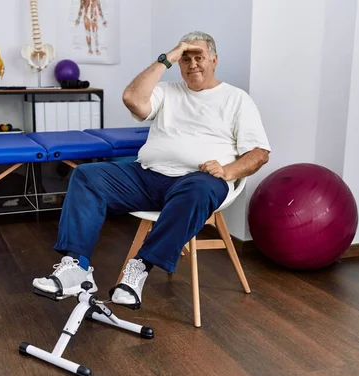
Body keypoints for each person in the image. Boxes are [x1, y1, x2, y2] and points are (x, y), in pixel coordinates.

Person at [33, 31, 271, 309]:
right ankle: (77, 267)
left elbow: (259, 154)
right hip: (147, 176)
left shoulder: (236, 99)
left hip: (198, 182)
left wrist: (227, 171)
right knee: (86, 176)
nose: (192, 64)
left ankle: (139, 269)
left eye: (199, 57)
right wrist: (167, 57)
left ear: (214, 60)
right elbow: (132, 98)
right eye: (185, 59)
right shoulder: (167, 91)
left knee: (201, 187)